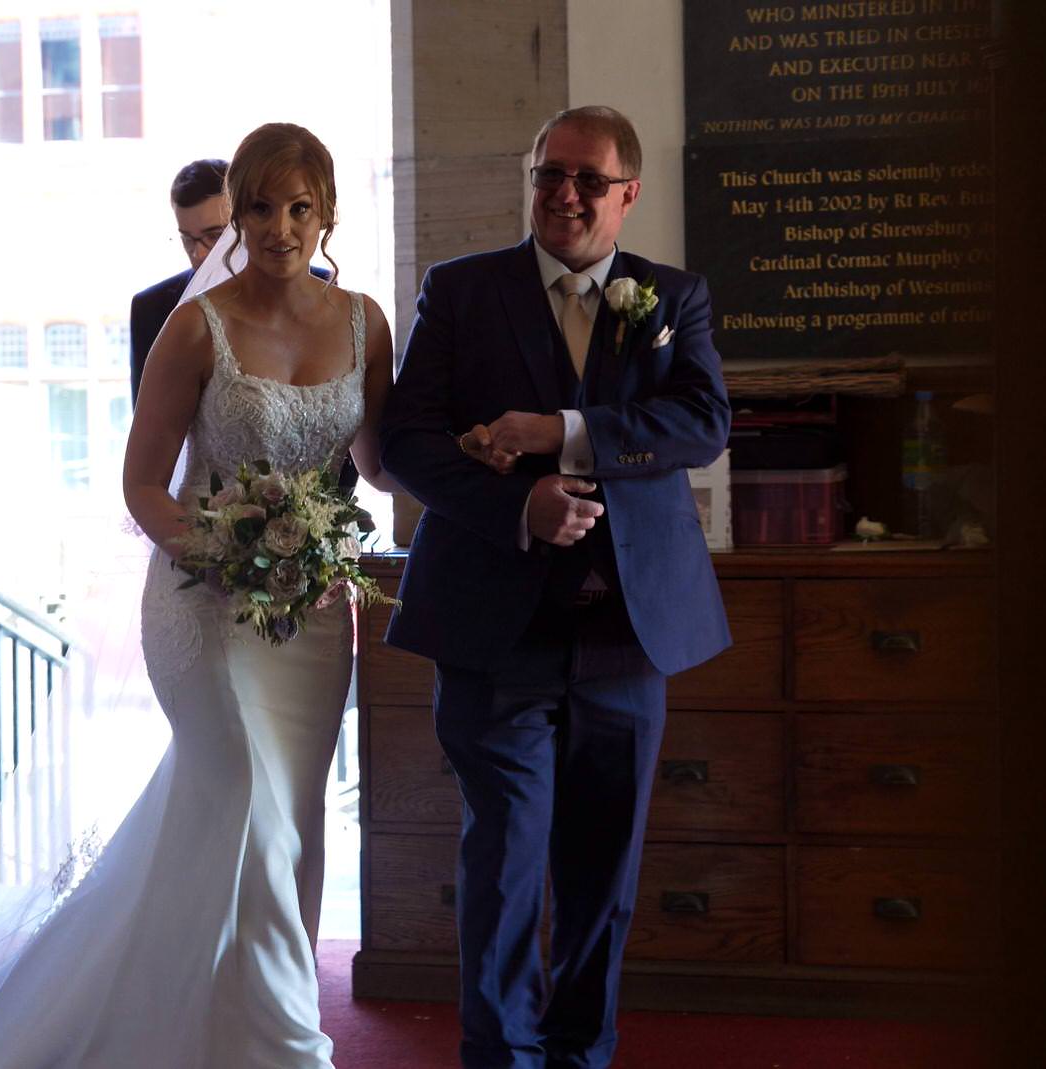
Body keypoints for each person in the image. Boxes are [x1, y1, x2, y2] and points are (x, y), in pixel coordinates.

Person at [0, 122, 397, 1068]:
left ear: (327, 213)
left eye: (300, 208)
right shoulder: (198, 325)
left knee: (294, 823)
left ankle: (212, 1016)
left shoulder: (366, 324)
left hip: (311, 615)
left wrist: (478, 456)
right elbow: (142, 484)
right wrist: (225, 549)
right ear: (239, 216)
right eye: (260, 207)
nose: (279, 227)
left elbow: (380, 466)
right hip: (203, 605)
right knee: (248, 801)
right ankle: (284, 1046)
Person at [379, 106, 731, 1069]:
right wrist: (516, 508)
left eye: (586, 179)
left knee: (603, 876)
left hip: (629, 629)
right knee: (505, 866)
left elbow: (703, 422)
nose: (563, 194)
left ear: (629, 194)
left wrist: (562, 432)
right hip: (499, 630)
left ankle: (582, 1055)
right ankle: (502, 1058)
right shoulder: (460, 291)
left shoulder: (671, 296)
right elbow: (407, 442)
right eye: (548, 174)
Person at [128, 158, 230, 403]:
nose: (199, 254)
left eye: (214, 236)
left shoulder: (319, 284)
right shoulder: (151, 307)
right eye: (188, 239)